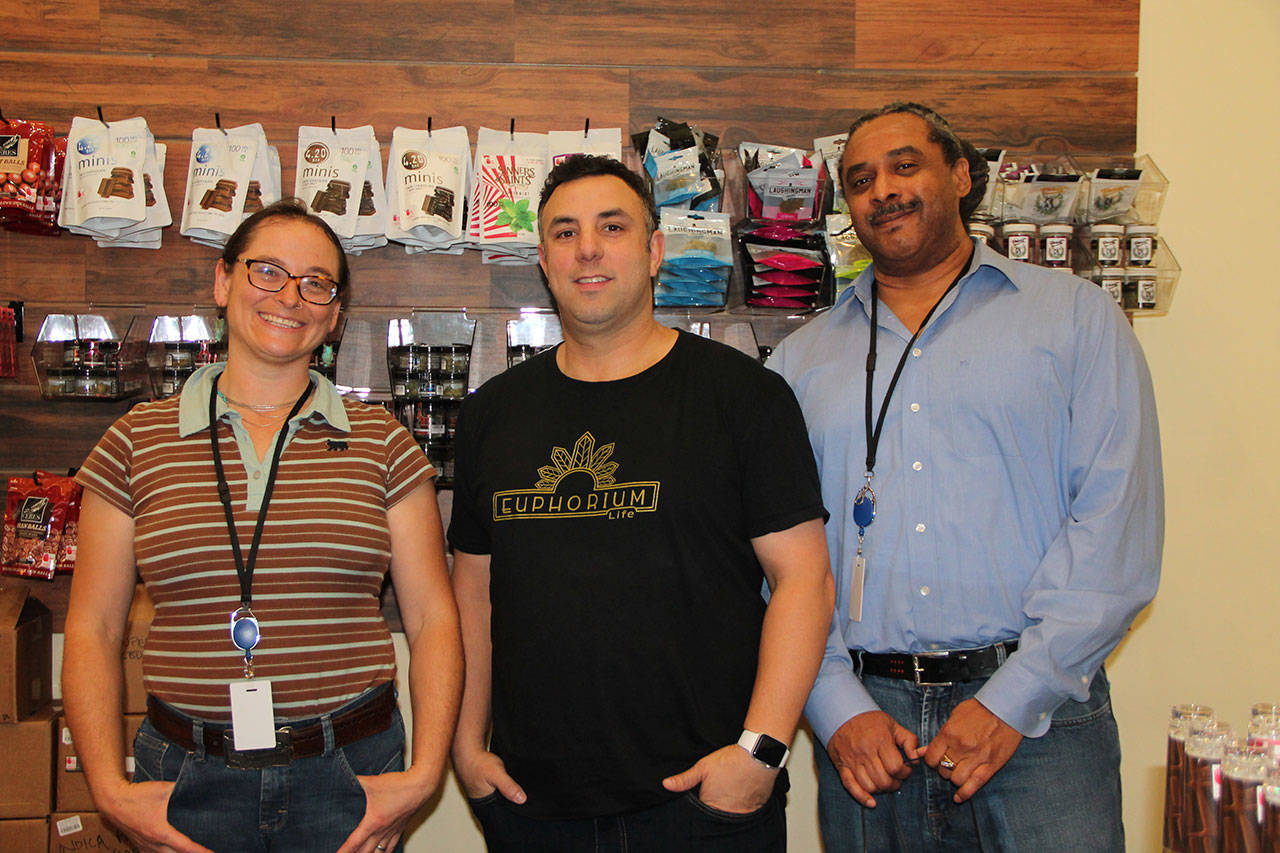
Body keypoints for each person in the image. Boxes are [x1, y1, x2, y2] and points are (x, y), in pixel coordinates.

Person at [768, 103, 1163, 850]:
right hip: (867, 729)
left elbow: (1117, 524)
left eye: (904, 166)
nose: (883, 190)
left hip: (1042, 717)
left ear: (960, 175)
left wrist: (1016, 697)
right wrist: (831, 703)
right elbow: (778, 558)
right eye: (860, 180)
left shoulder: (1074, 319)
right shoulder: (800, 361)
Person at [447, 154, 834, 852]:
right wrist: (467, 747)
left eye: (612, 227)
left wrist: (761, 751)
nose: (588, 249)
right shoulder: (491, 414)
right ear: (544, 261)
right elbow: (472, 592)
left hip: (705, 804)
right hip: (533, 807)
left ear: (655, 251)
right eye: (565, 232)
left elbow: (804, 579)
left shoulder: (744, 396)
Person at [62, 199, 463, 853]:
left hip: (352, 769)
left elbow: (433, 619)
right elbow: (93, 627)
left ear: (334, 314)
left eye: (316, 283)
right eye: (268, 271)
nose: (290, 297)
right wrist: (107, 787)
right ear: (223, 282)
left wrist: (424, 776)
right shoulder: (135, 440)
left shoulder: (384, 442)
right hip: (186, 774)